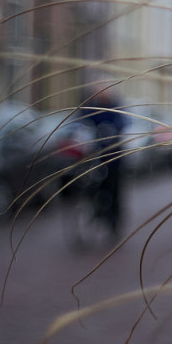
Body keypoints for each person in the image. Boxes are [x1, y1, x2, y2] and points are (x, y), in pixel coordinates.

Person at [77, 84, 127, 236]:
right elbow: (81, 120)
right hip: (95, 154)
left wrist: (112, 132)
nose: (101, 95)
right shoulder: (91, 107)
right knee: (92, 183)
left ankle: (114, 220)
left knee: (114, 188)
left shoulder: (115, 108)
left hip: (113, 157)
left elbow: (122, 123)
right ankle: (95, 208)